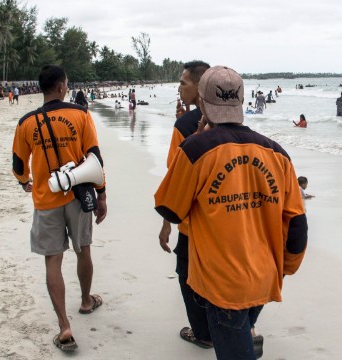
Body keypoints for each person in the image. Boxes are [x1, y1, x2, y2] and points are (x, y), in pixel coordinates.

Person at [154, 66, 307, 360]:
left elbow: (169, 209)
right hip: (265, 274)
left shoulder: (196, 149)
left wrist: (189, 144)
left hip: (223, 283)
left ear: (202, 100)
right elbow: (297, 223)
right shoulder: (276, 152)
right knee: (241, 332)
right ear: (240, 101)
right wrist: (284, 268)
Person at [11, 64, 108, 352]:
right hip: (78, 197)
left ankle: (64, 326)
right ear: (63, 86)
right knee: (84, 250)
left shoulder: (26, 122)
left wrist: (25, 182)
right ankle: (86, 301)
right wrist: (102, 195)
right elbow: (95, 157)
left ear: (42, 88)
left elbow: (18, 165)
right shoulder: (80, 115)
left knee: (53, 260)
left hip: (45, 199)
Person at [157, 60, 214, 349]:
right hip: (223, 218)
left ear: (199, 86)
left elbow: (175, 178)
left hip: (192, 222)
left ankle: (202, 333)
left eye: (183, 82)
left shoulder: (183, 127)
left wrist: (166, 221)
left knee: (188, 275)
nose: (179, 87)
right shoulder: (235, 122)